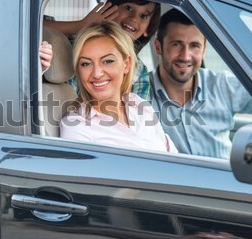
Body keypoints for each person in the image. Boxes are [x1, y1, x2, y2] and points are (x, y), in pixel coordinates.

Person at [148, 8, 252, 159]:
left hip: (223, 182)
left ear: (204, 49)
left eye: (194, 46)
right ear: (158, 47)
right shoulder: (139, 93)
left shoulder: (222, 86)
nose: (185, 56)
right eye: (176, 44)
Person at [60, 21, 177, 153]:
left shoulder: (140, 106)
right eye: (86, 64)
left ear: (126, 64)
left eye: (108, 61)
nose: (97, 73)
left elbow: (174, 158)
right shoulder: (77, 126)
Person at [45, 0, 161, 99]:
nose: (134, 18)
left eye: (143, 16)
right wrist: (79, 26)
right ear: (109, 10)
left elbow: (138, 118)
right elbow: (29, 26)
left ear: (127, 64)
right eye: (128, 8)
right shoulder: (71, 44)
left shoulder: (139, 71)